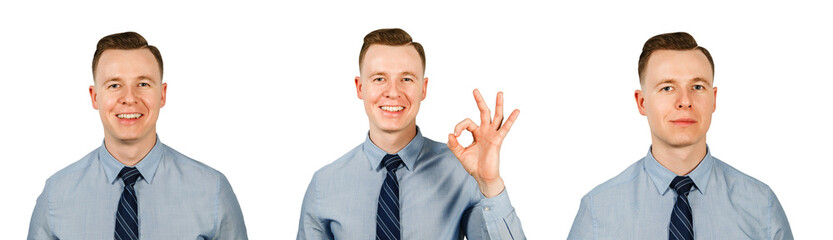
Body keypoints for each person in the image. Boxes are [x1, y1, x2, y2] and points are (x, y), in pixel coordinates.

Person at [297, 28, 525, 239]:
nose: (393, 92)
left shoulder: (462, 171)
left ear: (423, 88)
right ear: (360, 87)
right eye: (379, 79)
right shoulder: (324, 184)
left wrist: (490, 184)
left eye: (406, 79)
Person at [567, 32, 793, 239]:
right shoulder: (598, 211)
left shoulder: (762, 206)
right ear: (642, 102)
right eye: (667, 88)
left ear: (714, 99)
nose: (685, 101)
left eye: (697, 87)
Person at [27, 32, 248, 239]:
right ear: (95, 97)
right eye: (114, 85)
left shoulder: (212, 190)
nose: (129, 98)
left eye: (143, 84)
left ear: (162, 95)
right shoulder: (56, 195)